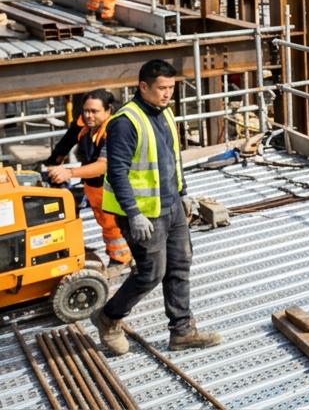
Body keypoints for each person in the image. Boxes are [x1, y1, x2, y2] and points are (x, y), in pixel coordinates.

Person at [93, 59, 221, 355]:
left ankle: (182, 332)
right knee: (151, 273)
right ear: (143, 87)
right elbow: (117, 172)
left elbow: (173, 158)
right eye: (162, 88)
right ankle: (108, 317)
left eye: (171, 88)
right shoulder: (126, 122)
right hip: (143, 215)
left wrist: (184, 193)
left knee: (179, 265)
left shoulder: (165, 114)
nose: (167, 94)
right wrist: (134, 214)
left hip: (172, 206)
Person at [46, 89, 132, 271]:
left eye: (94, 111)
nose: (88, 115)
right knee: (106, 224)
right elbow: (66, 141)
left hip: (112, 188)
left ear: (108, 110)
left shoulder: (114, 130)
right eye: (86, 111)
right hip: (93, 187)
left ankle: (123, 259)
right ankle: (119, 255)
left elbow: (103, 165)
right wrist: (53, 163)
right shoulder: (84, 125)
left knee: (116, 225)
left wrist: (69, 173)